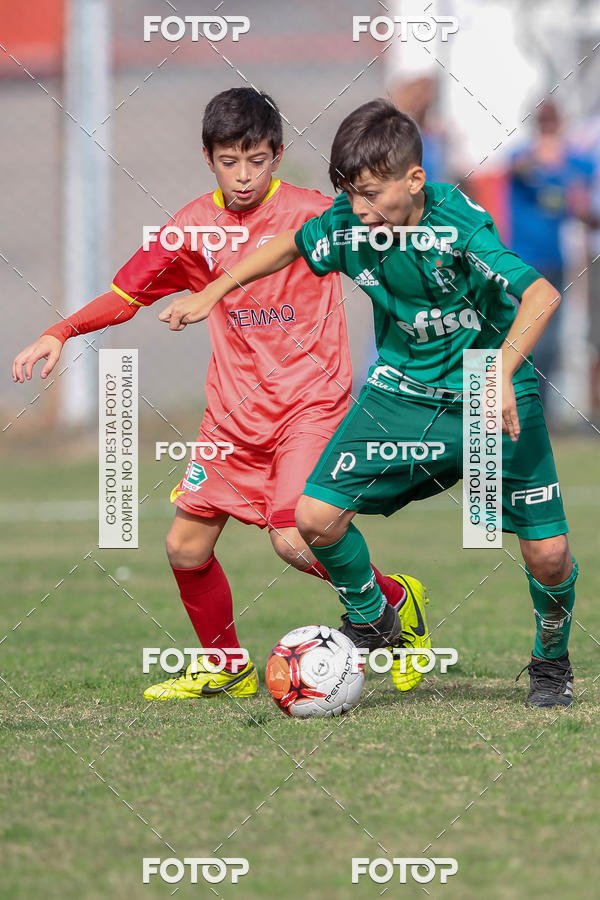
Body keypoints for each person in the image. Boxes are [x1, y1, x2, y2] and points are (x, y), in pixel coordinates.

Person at [12, 89, 428, 700]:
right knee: (184, 545)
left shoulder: (315, 213)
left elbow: (390, 243)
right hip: (233, 417)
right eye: (229, 160)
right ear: (208, 157)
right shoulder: (189, 229)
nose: (243, 175)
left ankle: (392, 603)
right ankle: (226, 665)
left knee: (292, 537)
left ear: (277, 156)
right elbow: (127, 296)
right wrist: (60, 331)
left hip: (310, 405)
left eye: (256, 160)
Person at [162, 100, 579, 709]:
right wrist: (219, 288)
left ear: (414, 181)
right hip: (402, 396)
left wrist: (500, 373)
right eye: (349, 193)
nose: (358, 209)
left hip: (494, 395)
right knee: (313, 518)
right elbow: (287, 247)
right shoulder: (349, 222)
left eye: (371, 194)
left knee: (548, 555)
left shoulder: (459, 228)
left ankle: (551, 660)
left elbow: (540, 295)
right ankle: (376, 618)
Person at [508, 100, 596, 409]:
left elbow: (584, 205)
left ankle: (537, 411)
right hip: (522, 263)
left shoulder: (575, 161)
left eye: (552, 121)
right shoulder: (522, 156)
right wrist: (545, 159)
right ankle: (512, 403)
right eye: (542, 122)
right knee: (520, 336)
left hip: (557, 264)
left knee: (550, 342)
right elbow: (517, 168)